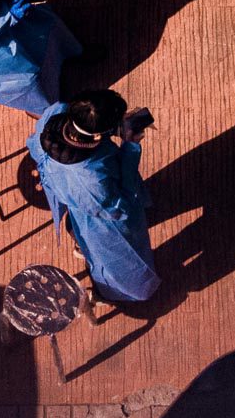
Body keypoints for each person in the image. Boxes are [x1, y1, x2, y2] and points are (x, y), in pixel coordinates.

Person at [26, 90, 160, 303]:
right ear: (98, 135)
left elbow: (33, 145)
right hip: (97, 215)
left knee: (77, 224)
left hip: (67, 190)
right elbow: (120, 208)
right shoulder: (92, 180)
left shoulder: (55, 114)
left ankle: (78, 239)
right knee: (117, 258)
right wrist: (130, 146)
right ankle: (118, 291)